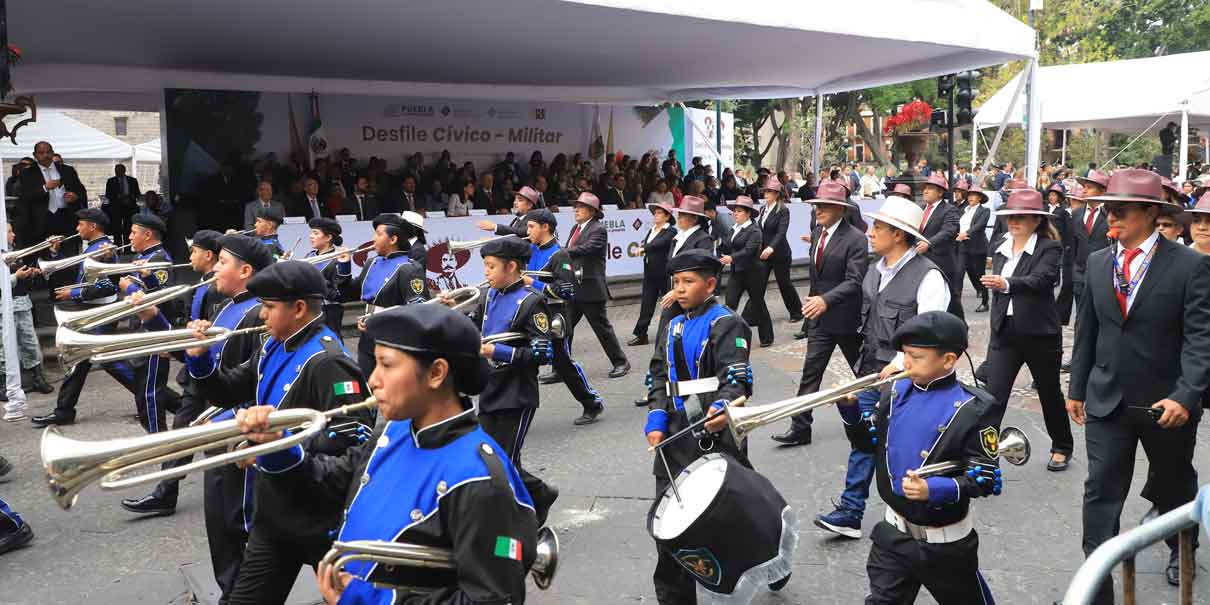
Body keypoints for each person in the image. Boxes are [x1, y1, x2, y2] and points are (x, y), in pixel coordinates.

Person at [232, 304, 538, 604]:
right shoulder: (395, 432)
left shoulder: (478, 477)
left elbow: (493, 598)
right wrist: (278, 447)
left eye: (387, 365)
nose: (373, 380)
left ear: (436, 373)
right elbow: (328, 483)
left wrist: (373, 599)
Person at [184, 260, 373, 605]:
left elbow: (355, 447)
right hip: (274, 513)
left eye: (269, 307)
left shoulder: (328, 361)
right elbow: (226, 391)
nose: (261, 316)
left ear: (299, 308)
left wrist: (279, 447)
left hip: (321, 520)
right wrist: (200, 359)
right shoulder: (275, 343)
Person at [1068, 169, 1210, 598]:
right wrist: (1076, 388)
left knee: (1173, 486)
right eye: (1107, 210)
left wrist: (1187, 395)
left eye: (1121, 211)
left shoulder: (1191, 265)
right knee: (1100, 493)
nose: (1111, 218)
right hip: (1106, 400)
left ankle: (1180, 549)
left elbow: (1200, 339)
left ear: (1151, 213)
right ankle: (1096, 586)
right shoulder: (1097, 262)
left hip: (1167, 405)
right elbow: (1087, 330)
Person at [814, 194, 950, 539]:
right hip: (870, 368)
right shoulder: (875, 271)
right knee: (863, 437)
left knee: (904, 446)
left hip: (908, 377)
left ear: (899, 235)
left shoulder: (929, 277)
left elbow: (930, 333)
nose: (870, 233)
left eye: (877, 227)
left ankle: (917, 514)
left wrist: (900, 362)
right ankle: (850, 511)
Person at [858, 311, 1001, 604]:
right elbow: (868, 443)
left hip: (945, 544)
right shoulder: (895, 391)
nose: (905, 363)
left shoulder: (974, 408)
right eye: (904, 354)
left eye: (915, 356)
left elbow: (985, 479)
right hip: (893, 535)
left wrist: (933, 489)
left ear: (948, 360)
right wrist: (849, 412)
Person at [644, 250, 754, 604]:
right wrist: (657, 419)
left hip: (713, 429)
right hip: (675, 432)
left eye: (688, 282)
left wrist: (722, 407)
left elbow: (736, 377)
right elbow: (658, 374)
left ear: (709, 284)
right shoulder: (672, 323)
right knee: (669, 516)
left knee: (726, 516)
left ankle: (761, 562)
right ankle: (674, 596)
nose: (679, 289)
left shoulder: (726, 323)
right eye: (676, 282)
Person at [118, 230, 235, 518]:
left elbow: (215, 339)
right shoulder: (204, 285)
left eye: (194, 251)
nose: (190, 256)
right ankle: (165, 493)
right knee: (184, 433)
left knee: (213, 441)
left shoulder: (217, 290)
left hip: (213, 374)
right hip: (197, 374)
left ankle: (232, 503)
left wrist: (178, 347)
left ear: (208, 255)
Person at [450, 235, 559, 524]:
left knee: (502, 463)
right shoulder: (488, 295)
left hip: (517, 393)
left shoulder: (531, 301)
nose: (485, 273)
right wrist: (452, 311)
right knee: (491, 456)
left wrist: (495, 350)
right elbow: (472, 327)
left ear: (511, 266)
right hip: (489, 387)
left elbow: (542, 354)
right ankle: (539, 492)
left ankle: (513, 520)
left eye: (490, 266)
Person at [980, 189, 1072, 472]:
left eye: (1021, 217)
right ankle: (984, 452)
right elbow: (995, 288)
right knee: (993, 395)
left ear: (1036, 219)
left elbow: (1042, 280)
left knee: (1049, 392)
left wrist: (1006, 283)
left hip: (1039, 334)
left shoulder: (1049, 247)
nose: (1014, 222)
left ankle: (1062, 446)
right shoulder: (999, 243)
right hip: (1005, 331)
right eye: (1010, 217)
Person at [775, 181, 868, 446]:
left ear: (840, 209)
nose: (819, 210)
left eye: (825, 206)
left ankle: (882, 418)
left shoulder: (856, 238)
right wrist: (812, 309)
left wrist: (826, 300)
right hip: (819, 320)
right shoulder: (818, 232)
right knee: (810, 375)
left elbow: (855, 280)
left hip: (847, 320)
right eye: (816, 205)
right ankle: (800, 428)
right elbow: (818, 278)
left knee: (864, 373)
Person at [32, 209, 139, 427]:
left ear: (92, 226)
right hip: (91, 311)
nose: (77, 229)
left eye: (80, 224)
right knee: (80, 361)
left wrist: (73, 293)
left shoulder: (104, 249)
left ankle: (154, 396)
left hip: (100, 313)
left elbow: (108, 285)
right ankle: (63, 410)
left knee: (110, 362)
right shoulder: (91, 248)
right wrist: (54, 255)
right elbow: (75, 271)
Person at [524, 209, 606, 425]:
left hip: (554, 315)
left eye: (531, 226)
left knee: (563, 363)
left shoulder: (560, 255)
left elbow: (567, 291)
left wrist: (534, 284)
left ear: (545, 227)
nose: (527, 231)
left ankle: (591, 403)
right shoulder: (531, 249)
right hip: (532, 314)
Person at [117, 213, 184, 435]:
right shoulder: (146, 257)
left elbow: (162, 300)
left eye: (133, 232)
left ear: (147, 235)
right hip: (141, 332)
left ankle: (159, 439)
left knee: (150, 394)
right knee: (146, 391)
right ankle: (190, 414)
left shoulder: (159, 260)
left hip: (153, 334)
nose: (129, 236)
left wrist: (131, 289)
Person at [343, 213, 431, 376]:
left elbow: (418, 310)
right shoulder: (372, 263)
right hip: (367, 339)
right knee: (368, 387)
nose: (373, 239)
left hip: (393, 341)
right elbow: (347, 294)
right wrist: (343, 267)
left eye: (379, 234)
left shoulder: (409, 268)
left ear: (393, 240)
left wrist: (380, 320)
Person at [562, 192, 629, 378]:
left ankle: (621, 362)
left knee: (602, 329)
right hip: (573, 287)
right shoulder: (576, 228)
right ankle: (560, 367)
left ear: (591, 211)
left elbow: (586, 248)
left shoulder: (598, 229)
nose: (576, 210)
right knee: (563, 329)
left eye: (580, 207)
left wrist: (562, 252)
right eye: (576, 206)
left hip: (590, 288)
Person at [720, 195, 771, 346]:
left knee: (758, 305)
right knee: (730, 303)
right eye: (734, 211)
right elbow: (727, 245)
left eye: (739, 211)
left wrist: (731, 258)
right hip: (737, 272)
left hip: (754, 273)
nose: (735, 213)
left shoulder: (754, 230)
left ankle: (767, 337)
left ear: (748, 213)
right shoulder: (734, 228)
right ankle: (730, 337)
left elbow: (749, 251)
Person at [16, 141, 87, 248]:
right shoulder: (27, 173)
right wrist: (45, 188)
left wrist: (75, 196)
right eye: (41, 153)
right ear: (35, 155)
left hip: (65, 217)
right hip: (41, 220)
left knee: (68, 252)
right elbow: (25, 197)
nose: (46, 155)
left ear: (53, 153)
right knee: (44, 254)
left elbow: (81, 191)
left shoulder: (67, 170)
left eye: (48, 152)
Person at [755, 176, 803, 322]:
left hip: (780, 253)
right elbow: (760, 230)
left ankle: (796, 312)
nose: (766, 194)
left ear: (776, 194)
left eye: (769, 191)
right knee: (757, 284)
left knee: (784, 284)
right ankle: (752, 316)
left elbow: (781, 232)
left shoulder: (783, 210)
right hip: (764, 254)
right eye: (765, 191)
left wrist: (771, 247)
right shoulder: (763, 209)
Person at [629, 198, 676, 347]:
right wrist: (645, 249)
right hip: (650, 273)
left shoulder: (670, 230)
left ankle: (671, 331)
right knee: (647, 304)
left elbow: (659, 243)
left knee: (670, 304)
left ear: (667, 216)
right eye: (655, 212)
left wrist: (644, 248)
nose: (656, 215)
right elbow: (649, 244)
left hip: (664, 273)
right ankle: (641, 334)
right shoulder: (652, 230)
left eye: (660, 213)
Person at [917, 173, 962, 319]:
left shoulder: (949, 210)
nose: (925, 191)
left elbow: (949, 231)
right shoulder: (922, 208)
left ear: (941, 192)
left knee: (950, 301)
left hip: (942, 262)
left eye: (930, 188)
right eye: (925, 188)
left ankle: (960, 330)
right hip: (921, 262)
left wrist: (929, 243)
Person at [1070, 169, 1111, 311]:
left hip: (1104, 276)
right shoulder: (1076, 214)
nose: (1084, 191)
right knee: (1081, 317)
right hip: (1080, 276)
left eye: (1089, 188)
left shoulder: (1112, 215)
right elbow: (1072, 245)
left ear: (1102, 191)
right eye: (1084, 187)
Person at [305, 217, 349, 338]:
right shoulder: (310, 256)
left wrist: (314, 281)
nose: (311, 236)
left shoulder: (337, 260)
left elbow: (339, 294)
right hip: (310, 310)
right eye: (311, 232)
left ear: (328, 237)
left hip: (328, 312)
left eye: (315, 233)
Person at [956, 183, 991, 313]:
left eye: (974, 195)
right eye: (969, 195)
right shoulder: (964, 210)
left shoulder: (984, 211)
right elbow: (957, 225)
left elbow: (979, 226)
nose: (970, 197)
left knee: (980, 276)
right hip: (962, 246)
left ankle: (985, 302)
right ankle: (956, 304)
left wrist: (966, 233)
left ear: (980, 198)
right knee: (958, 274)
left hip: (977, 248)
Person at [1046, 184, 1076, 325]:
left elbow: (1067, 231)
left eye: (1054, 195)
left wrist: (1066, 246)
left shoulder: (1063, 211)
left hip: (1057, 244)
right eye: (1050, 195)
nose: (1052, 197)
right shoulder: (1044, 208)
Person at [105, 163, 140, 246]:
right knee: (116, 228)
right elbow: (108, 194)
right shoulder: (111, 181)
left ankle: (128, 248)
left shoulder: (132, 180)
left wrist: (131, 197)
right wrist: (118, 196)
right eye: (116, 170)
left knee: (128, 228)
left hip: (129, 207)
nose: (117, 172)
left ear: (124, 171)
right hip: (116, 208)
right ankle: (118, 247)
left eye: (119, 170)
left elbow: (137, 193)